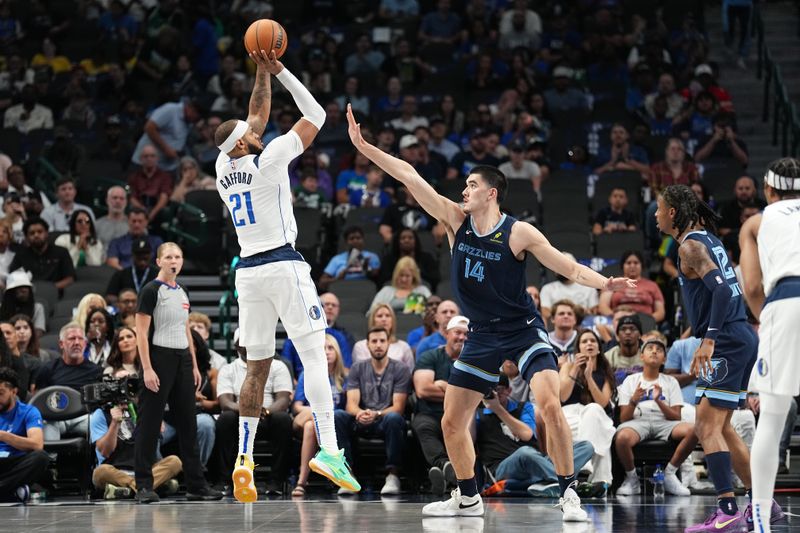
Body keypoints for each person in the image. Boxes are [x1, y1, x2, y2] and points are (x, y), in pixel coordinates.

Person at [346, 103, 634, 521]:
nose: (463, 191)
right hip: (481, 333)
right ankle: (467, 497)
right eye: (463, 185)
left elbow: (567, 266)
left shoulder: (518, 232)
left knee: (549, 404)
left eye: (470, 185)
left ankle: (569, 492)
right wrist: (364, 146)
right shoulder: (453, 221)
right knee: (450, 421)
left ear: (491, 192)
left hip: (522, 328)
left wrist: (606, 283)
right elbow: (409, 175)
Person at [212, 49, 358, 502]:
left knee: (255, 368)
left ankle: (244, 460)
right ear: (243, 143)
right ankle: (331, 450)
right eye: (250, 133)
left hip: (248, 273)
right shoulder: (270, 158)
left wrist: (259, 68)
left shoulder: (222, 168)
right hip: (283, 264)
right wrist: (282, 71)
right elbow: (315, 113)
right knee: (315, 355)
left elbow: (256, 112)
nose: (257, 130)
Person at [655, 184, 760, 532]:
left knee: (707, 427)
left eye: (659, 209)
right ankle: (762, 504)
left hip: (726, 338)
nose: (655, 215)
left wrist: (709, 340)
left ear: (672, 213)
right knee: (723, 427)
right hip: (740, 334)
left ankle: (727, 510)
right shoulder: (710, 240)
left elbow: (718, 289)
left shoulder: (689, 246)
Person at [738, 158, 800, 532]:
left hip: (787, 301)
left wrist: (770, 316)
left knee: (773, 417)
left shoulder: (756, 222)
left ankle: (760, 522)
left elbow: (751, 287)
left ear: (767, 189)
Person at [133, 242, 221, 504]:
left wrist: (193, 364)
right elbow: (140, 333)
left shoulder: (182, 292)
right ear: (159, 261)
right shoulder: (151, 291)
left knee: (189, 424)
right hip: (159, 358)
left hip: (182, 359)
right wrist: (147, 368)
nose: (174, 261)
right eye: (169, 257)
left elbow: (185, 330)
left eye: (178, 257)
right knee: (149, 424)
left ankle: (196, 485)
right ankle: (143, 486)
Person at [477, 373, 594, 499]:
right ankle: (569, 485)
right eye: (491, 390)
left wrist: (499, 410)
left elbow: (526, 435)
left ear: (508, 390)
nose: (495, 394)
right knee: (525, 453)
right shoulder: (478, 413)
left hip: (537, 461)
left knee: (586, 446)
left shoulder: (523, 407)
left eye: (499, 389)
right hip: (503, 467)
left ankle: (547, 482)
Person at [215, 330, 293, 496]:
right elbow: (225, 402)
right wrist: (249, 411)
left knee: (284, 419)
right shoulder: (228, 369)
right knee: (225, 419)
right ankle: (225, 480)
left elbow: (283, 399)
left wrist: (263, 411)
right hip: (240, 417)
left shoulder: (278, 366)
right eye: (245, 341)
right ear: (237, 346)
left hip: (268, 416)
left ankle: (276, 481)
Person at [614, 339, 695, 496]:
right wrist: (634, 400)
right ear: (642, 356)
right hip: (637, 421)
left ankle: (670, 474)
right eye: (650, 348)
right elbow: (624, 418)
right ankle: (632, 480)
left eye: (659, 350)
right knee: (622, 437)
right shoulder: (630, 381)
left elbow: (676, 416)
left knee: (694, 430)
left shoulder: (671, 382)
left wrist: (659, 401)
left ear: (664, 359)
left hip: (664, 422)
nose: (654, 351)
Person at [334, 327, 410, 496]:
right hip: (361, 418)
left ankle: (392, 476)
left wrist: (377, 414)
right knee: (338, 416)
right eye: (374, 341)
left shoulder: (400, 369)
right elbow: (351, 405)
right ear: (367, 345)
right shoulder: (357, 368)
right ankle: (347, 475)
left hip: (384, 420)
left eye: (382, 341)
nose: (378, 345)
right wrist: (360, 413)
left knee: (395, 418)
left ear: (388, 344)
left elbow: (398, 406)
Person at [413, 315, 468, 494]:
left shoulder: (472, 362)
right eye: (457, 333)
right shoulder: (430, 356)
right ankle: (446, 466)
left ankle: (446, 476)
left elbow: (478, 396)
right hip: (431, 413)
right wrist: (458, 394)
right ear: (446, 333)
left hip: (462, 416)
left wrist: (444, 386)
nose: (462, 337)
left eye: (466, 334)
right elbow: (423, 390)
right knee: (422, 425)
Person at [558, 329, 616, 494]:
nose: (589, 344)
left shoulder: (605, 371)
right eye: (584, 341)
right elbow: (563, 396)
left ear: (599, 348)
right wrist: (576, 370)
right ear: (578, 349)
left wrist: (589, 377)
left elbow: (603, 402)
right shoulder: (568, 366)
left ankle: (584, 465)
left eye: (593, 341)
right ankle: (600, 482)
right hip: (570, 415)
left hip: (595, 415)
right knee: (602, 438)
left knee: (593, 410)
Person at [291, 334, 348, 497]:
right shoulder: (307, 374)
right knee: (311, 421)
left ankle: (302, 482)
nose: (327, 352)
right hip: (307, 420)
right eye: (323, 348)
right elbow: (297, 407)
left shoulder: (344, 377)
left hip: (336, 425)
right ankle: (331, 469)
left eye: (330, 348)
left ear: (337, 352)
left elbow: (348, 407)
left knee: (312, 426)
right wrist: (318, 413)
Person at [35, 323, 101, 438]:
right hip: (55, 417)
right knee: (45, 426)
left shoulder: (97, 371)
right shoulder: (48, 368)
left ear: (85, 344)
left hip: (84, 417)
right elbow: (38, 398)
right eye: (71, 338)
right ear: (61, 344)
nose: (76, 342)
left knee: (100, 424)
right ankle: (48, 457)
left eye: (80, 339)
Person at [0, 368, 49, 503]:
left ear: (14, 392)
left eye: (0, 393)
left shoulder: (29, 412)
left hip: (14, 462)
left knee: (41, 457)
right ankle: (11, 490)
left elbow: (37, 444)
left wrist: (4, 436)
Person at [598, 251, 666, 323]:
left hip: (645, 325)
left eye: (636, 263)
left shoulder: (652, 286)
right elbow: (603, 307)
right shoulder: (613, 283)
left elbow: (660, 312)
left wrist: (647, 322)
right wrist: (617, 319)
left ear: (641, 266)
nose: (632, 266)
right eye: (628, 263)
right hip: (617, 324)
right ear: (622, 266)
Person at [9, 219, 75, 290]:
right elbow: (13, 277)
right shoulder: (21, 254)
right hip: (30, 294)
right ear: (26, 237)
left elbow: (70, 278)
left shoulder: (61, 252)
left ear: (46, 233)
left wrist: (50, 289)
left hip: (56, 292)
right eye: (32, 233)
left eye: (40, 232)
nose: (36, 235)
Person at [539, 252, 599, 325]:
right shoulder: (547, 288)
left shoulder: (588, 288)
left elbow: (594, 312)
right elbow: (545, 312)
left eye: (562, 266)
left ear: (573, 268)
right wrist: (579, 311)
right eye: (556, 266)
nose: (558, 270)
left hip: (585, 327)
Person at [352, 304, 415, 371]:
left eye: (388, 316)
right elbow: (361, 372)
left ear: (392, 320)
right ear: (373, 320)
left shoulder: (403, 347)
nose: (384, 319)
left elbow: (409, 373)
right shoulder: (360, 346)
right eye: (379, 316)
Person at [318, 226, 381, 292]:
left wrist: (365, 266)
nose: (355, 241)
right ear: (346, 242)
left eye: (358, 238)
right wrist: (337, 279)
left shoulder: (372, 256)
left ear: (363, 240)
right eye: (351, 238)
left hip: (365, 290)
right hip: (342, 290)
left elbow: (377, 277)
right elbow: (322, 282)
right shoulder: (337, 259)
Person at [0, 270, 46, 334]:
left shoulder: (37, 308)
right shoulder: (1, 308)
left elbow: (38, 332)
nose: (20, 294)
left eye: (23, 290)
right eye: (16, 290)